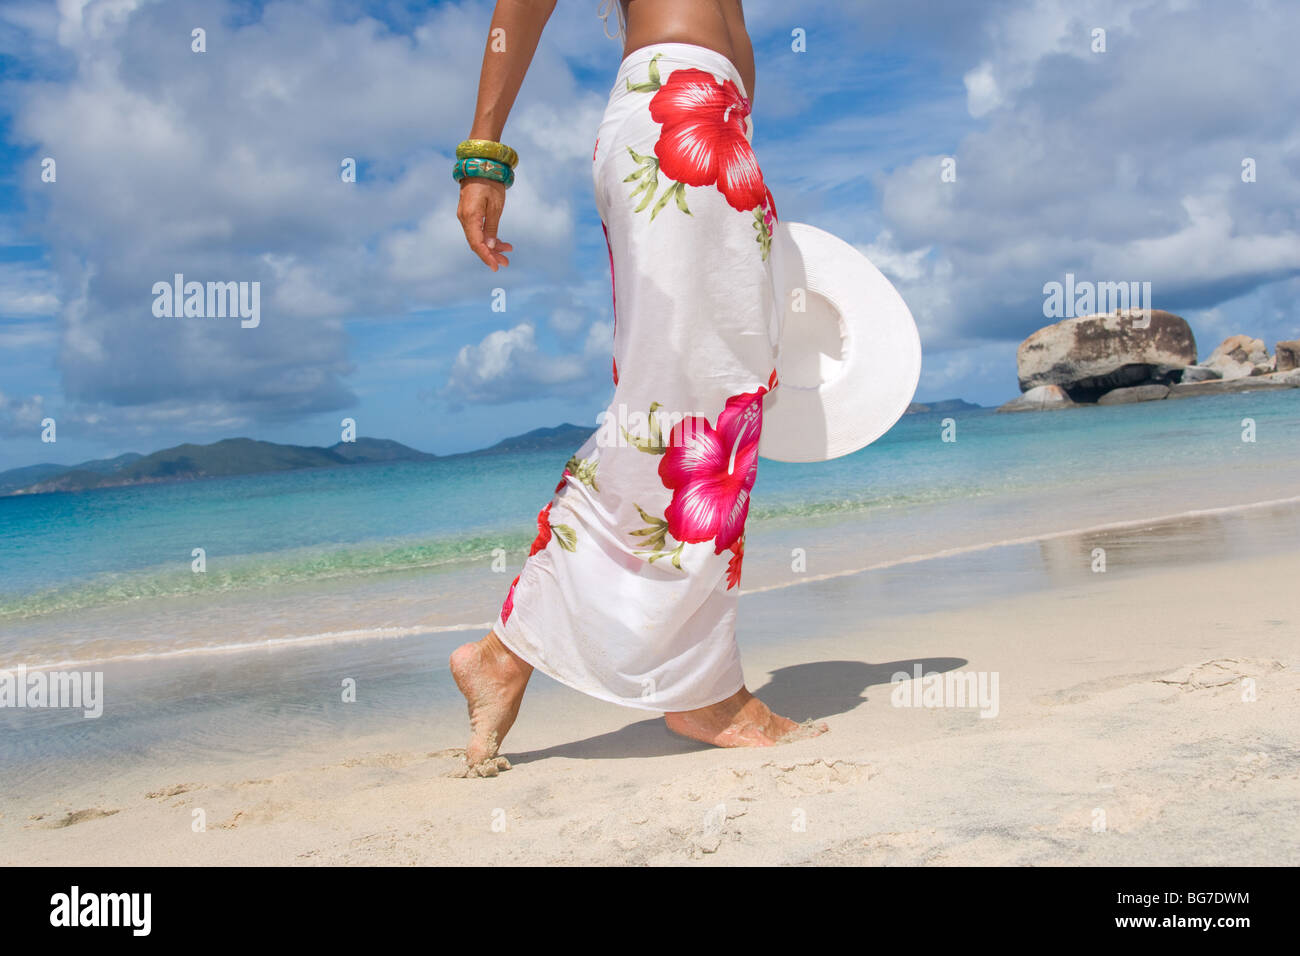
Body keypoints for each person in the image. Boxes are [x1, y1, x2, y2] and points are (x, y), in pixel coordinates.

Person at [451, 0, 827, 776]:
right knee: (675, 413)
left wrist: (737, 138)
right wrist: (484, 156)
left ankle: (666, 674)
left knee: (726, 399)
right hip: (674, 116)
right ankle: (667, 684)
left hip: (720, 131)